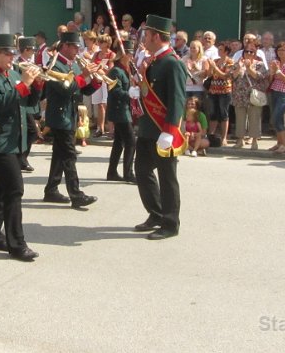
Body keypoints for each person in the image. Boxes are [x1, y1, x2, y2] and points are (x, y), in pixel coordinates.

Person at [0, 33, 42, 261]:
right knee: (15, 189)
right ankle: (17, 244)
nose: (11, 57)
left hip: (13, 141)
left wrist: (36, 85)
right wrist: (24, 84)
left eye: (12, 52)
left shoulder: (12, 73)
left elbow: (29, 103)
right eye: (7, 53)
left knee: (0, 190)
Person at [133, 14, 186, 240]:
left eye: (146, 33)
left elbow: (177, 100)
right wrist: (137, 94)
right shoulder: (154, 60)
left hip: (164, 130)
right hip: (148, 128)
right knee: (142, 171)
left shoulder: (172, 63)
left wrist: (170, 130)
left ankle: (170, 223)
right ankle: (155, 213)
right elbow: (150, 91)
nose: (144, 37)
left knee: (167, 176)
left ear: (156, 36)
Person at [42, 31, 99, 209]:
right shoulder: (54, 65)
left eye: (78, 47)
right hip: (60, 116)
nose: (77, 50)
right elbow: (66, 89)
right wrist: (83, 75)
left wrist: (96, 81)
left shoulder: (72, 65)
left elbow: (81, 90)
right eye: (74, 47)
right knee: (69, 155)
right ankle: (76, 194)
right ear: (64, 46)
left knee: (60, 154)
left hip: (69, 115)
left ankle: (51, 189)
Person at [106, 40, 136, 182]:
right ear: (123, 54)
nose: (132, 56)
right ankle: (128, 173)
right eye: (130, 53)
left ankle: (111, 172)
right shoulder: (116, 71)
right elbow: (115, 91)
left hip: (123, 109)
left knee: (119, 142)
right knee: (131, 141)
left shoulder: (125, 69)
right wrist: (130, 93)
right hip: (119, 110)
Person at [231, 42, 268, 150]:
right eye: (246, 51)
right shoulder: (238, 63)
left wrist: (249, 68)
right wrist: (239, 67)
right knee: (240, 118)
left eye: (251, 52)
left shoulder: (259, 64)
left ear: (255, 53)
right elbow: (232, 76)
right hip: (239, 95)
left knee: (254, 118)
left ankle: (254, 141)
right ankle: (240, 140)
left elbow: (260, 77)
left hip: (253, 95)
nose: (249, 54)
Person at [15, 37, 41, 172]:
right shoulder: (17, 64)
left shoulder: (31, 63)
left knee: (30, 132)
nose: (34, 52)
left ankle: (22, 158)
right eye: (33, 49)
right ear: (26, 50)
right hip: (22, 102)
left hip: (30, 102)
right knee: (30, 131)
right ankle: (21, 159)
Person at [205, 42, 234, 147]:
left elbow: (225, 76)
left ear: (226, 51)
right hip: (213, 90)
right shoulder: (216, 61)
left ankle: (224, 137)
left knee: (224, 114)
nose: (219, 51)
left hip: (224, 91)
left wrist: (215, 68)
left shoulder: (230, 62)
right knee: (213, 113)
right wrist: (211, 67)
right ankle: (211, 135)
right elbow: (209, 75)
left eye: (221, 50)